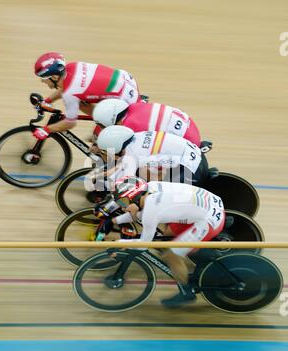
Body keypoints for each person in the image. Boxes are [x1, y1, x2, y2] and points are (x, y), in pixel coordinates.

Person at [99, 176, 225, 307]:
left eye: (124, 203)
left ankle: (186, 292)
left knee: (171, 255)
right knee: (168, 234)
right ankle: (199, 254)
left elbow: (143, 245)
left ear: (136, 197)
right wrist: (113, 221)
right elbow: (139, 213)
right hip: (207, 204)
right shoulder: (149, 187)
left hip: (208, 220)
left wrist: (119, 243)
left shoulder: (151, 209)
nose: (123, 208)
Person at [32, 52, 142, 140]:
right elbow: (67, 88)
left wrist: (46, 130)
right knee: (80, 103)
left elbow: (70, 123)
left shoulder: (70, 94)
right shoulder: (71, 66)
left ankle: (113, 162)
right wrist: (48, 100)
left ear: (55, 77)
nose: (42, 81)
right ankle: (106, 124)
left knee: (100, 142)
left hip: (124, 99)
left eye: (44, 78)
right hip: (125, 81)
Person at [94, 125, 208, 188]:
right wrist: (105, 174)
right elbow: (124, 164)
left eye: (107, 152)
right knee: (145, 172)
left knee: (150, 193)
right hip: (199, 159)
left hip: (192, 172)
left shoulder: (131, 155)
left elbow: (125, 182)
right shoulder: (137, 136)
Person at [92, 98, 201, 146]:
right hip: (189, 128)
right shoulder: (133, 107)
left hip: (188, 141)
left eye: (102, 126)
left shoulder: (130, 126)